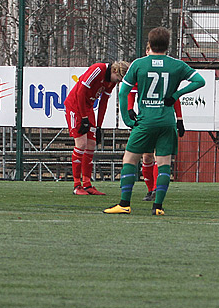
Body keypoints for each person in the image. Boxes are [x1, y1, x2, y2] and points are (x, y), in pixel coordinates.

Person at [104, 27, 205, 216]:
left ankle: (124, 204)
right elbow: (200, 81)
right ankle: (158, 207)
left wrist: (127, 117)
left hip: (145, 121)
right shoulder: (177, 65)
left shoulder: (138, 64)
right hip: (167, 122)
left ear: (149, 44)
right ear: (168, 45)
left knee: (130, 159)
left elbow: (124, 91)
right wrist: (175, 95)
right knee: (164, 162)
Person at [127, 47, 185, 202]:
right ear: (146, 51)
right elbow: (131, 91)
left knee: (156, 158)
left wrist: (179, 119)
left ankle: (150, 194)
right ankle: (151, 191)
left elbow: (174, 97)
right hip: (147, 119)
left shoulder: (163, 69)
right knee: (147, 157)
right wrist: (129, 109)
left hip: (160, 120)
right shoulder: (142, 68)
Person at [64, 60, 129, 195]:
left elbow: (104, 102)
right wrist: (83, 117)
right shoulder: (98, 69)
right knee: (81, 144)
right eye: (118, 79)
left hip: (88, 108)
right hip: (75, 106)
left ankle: (87, 184)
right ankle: (77, 185)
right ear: (115, 71)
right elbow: (81, 92)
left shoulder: (111, 82)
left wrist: (99, 126)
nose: (117, 82)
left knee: (91, 144)